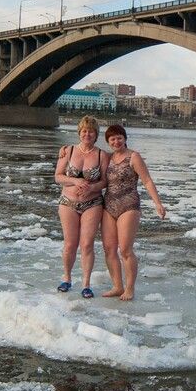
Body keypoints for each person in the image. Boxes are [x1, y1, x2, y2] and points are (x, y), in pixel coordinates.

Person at [101, 125, 166, 301]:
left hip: (129, 205)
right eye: (112, 139)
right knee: (109, 249)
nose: (116, 141)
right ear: (108, 142)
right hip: (108, 206)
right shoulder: (107, 157)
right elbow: (87, 155)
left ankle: (129, 288)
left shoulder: (133, 157)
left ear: (125, 138)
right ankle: (117, 286)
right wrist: (65, 150)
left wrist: (157, 203)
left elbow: (147, 180)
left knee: (125, 249)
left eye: (119, 138)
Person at [54, 115, 109, 298]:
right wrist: (75, 181)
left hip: (92, 203)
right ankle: (67, 278)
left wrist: (92, 187)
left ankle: (86, 284)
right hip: (68, 202)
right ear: (79, 132)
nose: (87, 134)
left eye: (91, 131)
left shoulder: (101, 155)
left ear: (96, 134)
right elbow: (58, 176)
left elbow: (104, 181)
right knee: (70, 243)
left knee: (86, 244)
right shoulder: (68, 151)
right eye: (84, 131)